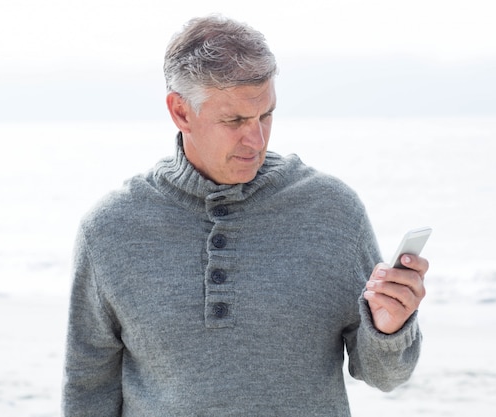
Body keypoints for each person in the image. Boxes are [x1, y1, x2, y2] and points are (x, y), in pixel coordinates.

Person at [62, 15, 428, 417]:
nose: (255, 139)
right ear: (181, 112)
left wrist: (389, 327)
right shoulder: (110, 230)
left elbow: (384, 376)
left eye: (265, 115)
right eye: (234, 120)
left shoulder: (333, 211)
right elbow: (87, 388)